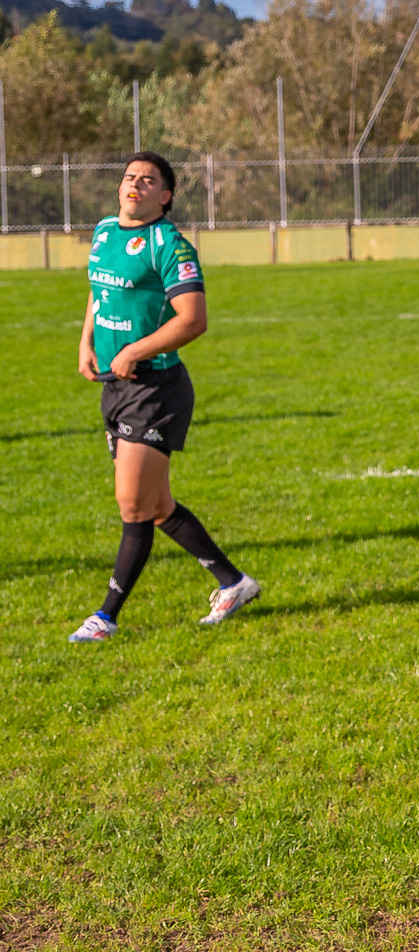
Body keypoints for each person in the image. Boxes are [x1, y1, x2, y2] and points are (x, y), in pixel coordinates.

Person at [68, 151, 260, 643]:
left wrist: (136, 348)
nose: (135, 185)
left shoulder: (169, 246)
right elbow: (99, 290)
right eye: (130, 177)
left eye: (148, 181)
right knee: (156, 506)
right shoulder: (105, 231)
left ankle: (105, 617)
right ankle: (235, 583)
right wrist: (86, 340)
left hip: (156, 391)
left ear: (165, 196)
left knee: (132, 506)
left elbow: (192, 319)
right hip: (115, 387)